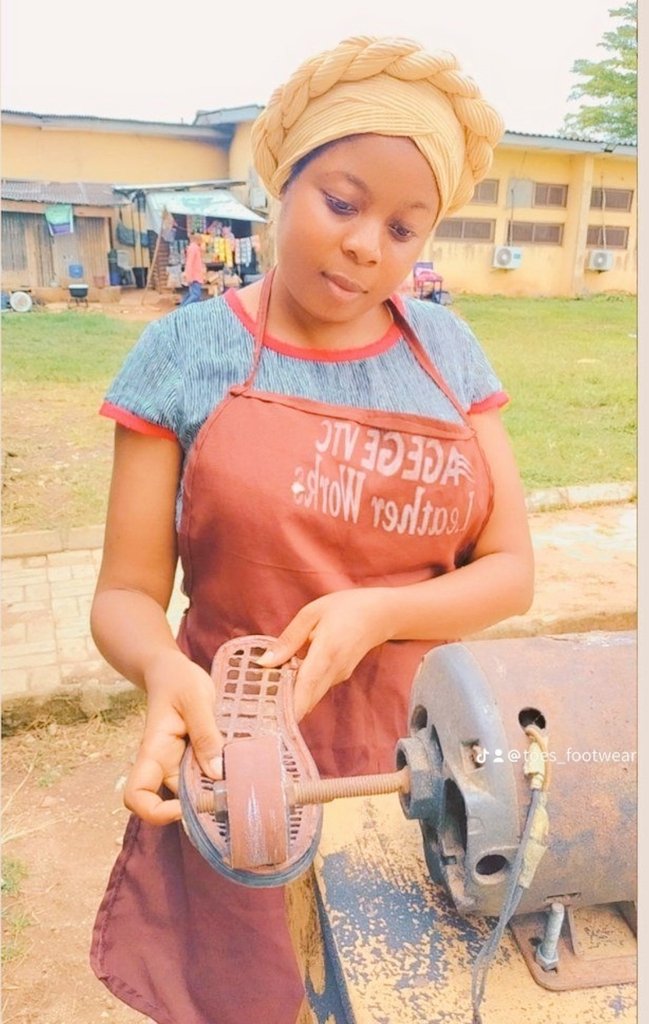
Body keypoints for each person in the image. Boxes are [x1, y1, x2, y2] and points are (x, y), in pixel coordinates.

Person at [89, 35, 534, 1024]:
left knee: (394, 992)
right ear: (280, 184)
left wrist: (376, 612)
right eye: (341, 202)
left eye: (404, 228)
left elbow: (510, 573)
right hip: (234, 768)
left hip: (415, 772)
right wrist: (167, 675)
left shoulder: (448, 353)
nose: (367, 243)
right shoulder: (187, 352)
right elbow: (124, 594)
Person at [180, 231, 205, 304]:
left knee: (192, 295)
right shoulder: (193, 248)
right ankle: (183, 309)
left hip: (195, 276)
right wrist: (189, 277)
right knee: (195, 295)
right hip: (195, 277)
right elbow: (189, 263)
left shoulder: (194, 248)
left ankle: (182, 309)